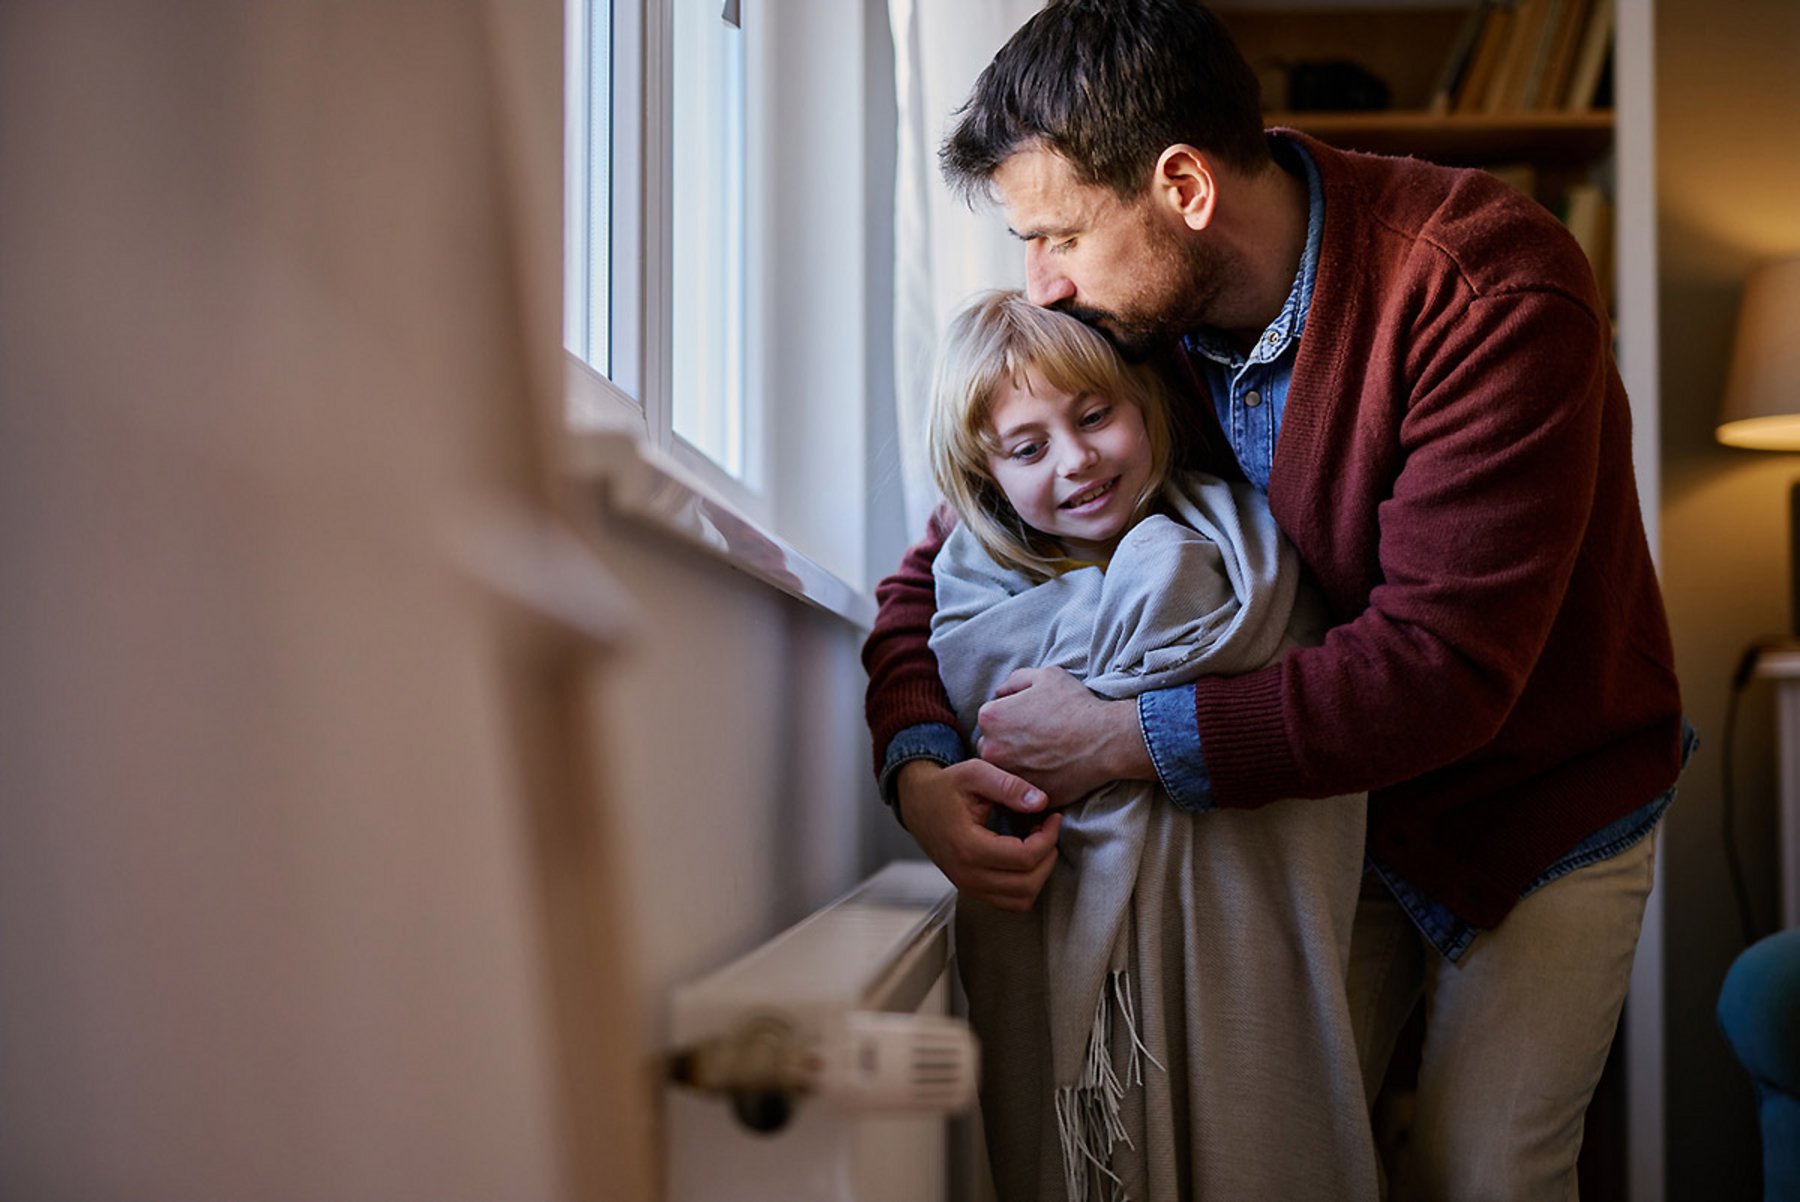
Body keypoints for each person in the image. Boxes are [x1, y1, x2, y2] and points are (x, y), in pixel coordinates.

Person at [862, 2, 1691, 1199]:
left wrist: (1121, 737)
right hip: (1315, 808)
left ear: (1184, 186)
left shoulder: (1487, 292)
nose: (1039, 282)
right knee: (1261, 1151)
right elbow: (941, 562)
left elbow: (1439, 671)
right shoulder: (1135, 328)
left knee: (1484, 1170)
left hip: (1540, 806)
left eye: (1057, 237)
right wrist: (922, 768)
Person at [925, 289, 1375, 1201]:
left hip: (1243, 932)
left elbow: (1310, 692)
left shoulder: (1243, 541)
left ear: (1146, 406)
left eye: (1095, 417)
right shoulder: (976, 587)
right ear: (986, 475)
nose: (1078, 459)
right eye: (1029, 447)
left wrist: (1112, 698)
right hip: (1050, 935)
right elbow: (974, 688)